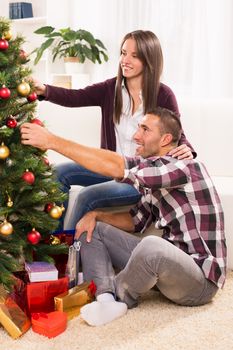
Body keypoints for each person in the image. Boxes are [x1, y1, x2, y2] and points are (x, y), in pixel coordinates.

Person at [21, 107, 226, 327]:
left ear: (166, 139)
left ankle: (119, 291)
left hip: (199, 282)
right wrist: (95, 215)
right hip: (167, 272)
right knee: (91, 230)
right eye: (138, 128)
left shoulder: (183, 167)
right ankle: (106, 298)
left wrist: (52, 141)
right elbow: (136, 221)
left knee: (152, 246)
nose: (136, 135)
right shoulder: (154, 178)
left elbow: (117, 166)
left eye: (145, 129)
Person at [33, 30, 195, 230]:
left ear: (149, 60)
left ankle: (70, 254)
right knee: (59, 172)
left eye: (134, 56)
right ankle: (54, 241)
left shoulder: (163, 94)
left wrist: (186, 147)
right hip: (109, 166)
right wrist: (45, 90)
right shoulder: (111, 88)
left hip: (138, 176)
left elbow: (176, 132)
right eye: (123, 53)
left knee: (87, 196)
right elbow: (75, 97)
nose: (125, 60)